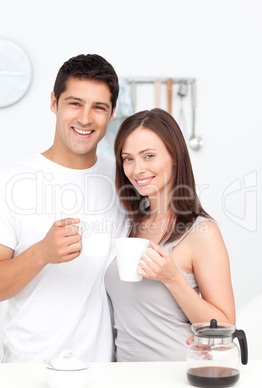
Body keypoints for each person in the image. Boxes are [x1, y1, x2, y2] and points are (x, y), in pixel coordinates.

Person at [0, 54, 126, 363]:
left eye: (99, 107)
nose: (85, 118)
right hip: (29, 369)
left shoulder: (125, 181)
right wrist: (41, 253)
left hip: (103, 372)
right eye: (75, 103)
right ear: (54, 103)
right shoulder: (13, 181)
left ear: (111, 115)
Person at [105, 108, 236, 362]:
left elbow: (225, 328)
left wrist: (173, 278)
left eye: (149, 156)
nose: (137, 169)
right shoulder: (127, 225)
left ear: (174, 156)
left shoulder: (201, 232)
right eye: (128, 158)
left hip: (176, 379)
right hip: (123, 381)